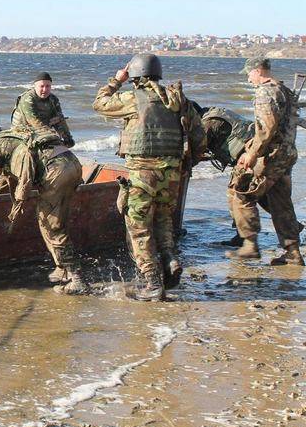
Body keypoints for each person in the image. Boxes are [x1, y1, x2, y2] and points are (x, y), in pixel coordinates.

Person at [93, 53, 205, 301]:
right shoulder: (177, 99)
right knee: (164, 218)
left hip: (142, 173)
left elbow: (100, 103)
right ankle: (170, 260)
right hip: (171, 173)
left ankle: (152, 282)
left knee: (139, 228)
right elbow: (199, 135)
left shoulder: (134, 97)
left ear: (135, 76)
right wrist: (187, 163)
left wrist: (116, 80)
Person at [0, 120, 87, 294]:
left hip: (56, 172)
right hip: (72, 165)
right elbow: (8, 175)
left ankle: (76, 279)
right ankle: (62, 268)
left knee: (51, 225)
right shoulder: (14, 139)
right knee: (57, 221)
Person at [225, 57, 302, 265]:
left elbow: (266, 128)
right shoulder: (285, 90)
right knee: (281, 203)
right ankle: (293, 252)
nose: (249, 78)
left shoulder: (265, 92)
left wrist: (251, 154)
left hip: (271, 155)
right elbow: (295, 121)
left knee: (240, 192)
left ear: (258, 71)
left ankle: (250, 245)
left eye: (249, 74)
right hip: (287, 154)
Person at [198, 105, 256, 247]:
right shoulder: (216, 114)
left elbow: (198, 148)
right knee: (267, 196)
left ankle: (244, 239)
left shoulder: (208, 122)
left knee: (235, 196)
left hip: (247, 158)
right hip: (256, 154)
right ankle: (291, 227)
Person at [11, 71, 75, 147]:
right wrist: (52, 136)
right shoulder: (28, 99)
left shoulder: (53, 99)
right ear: (35, 86)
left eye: (47, 86)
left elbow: (59, 119)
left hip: (44, 130)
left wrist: (67, 137)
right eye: (42, 86)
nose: (45, 90)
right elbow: (34, 121)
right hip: (22, 131)